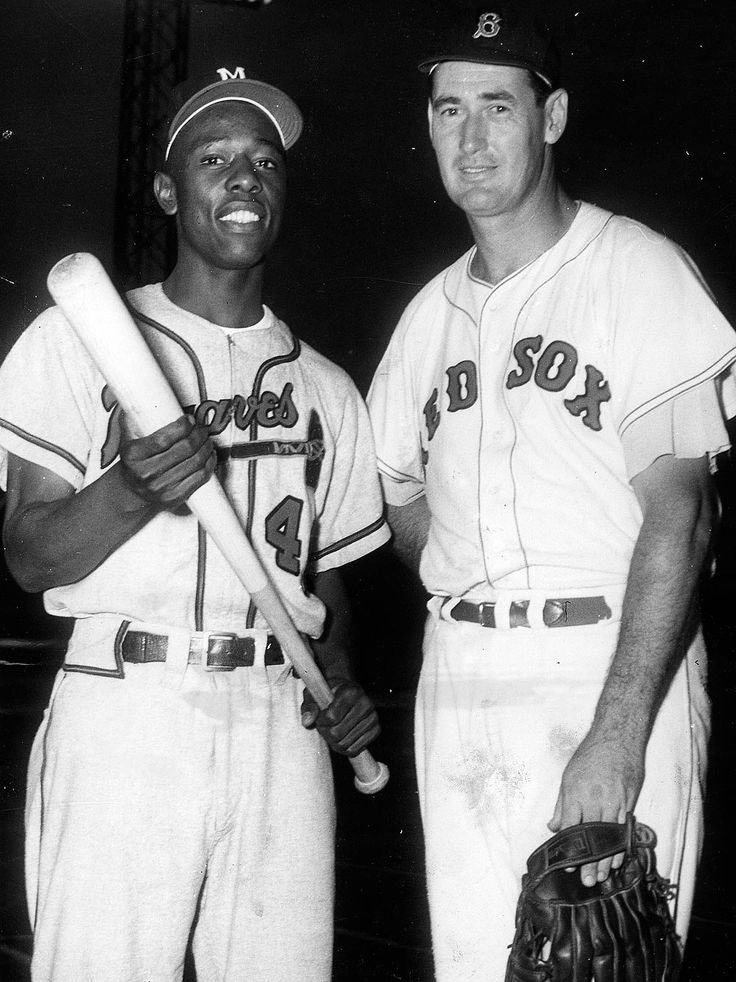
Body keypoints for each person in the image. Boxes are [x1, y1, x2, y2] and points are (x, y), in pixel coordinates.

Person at [366, 4, 736, 980]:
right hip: (464, 676)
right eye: (449, 110)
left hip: (606, 668)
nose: (471, 137)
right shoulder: (420, 322)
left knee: (605, 964)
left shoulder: (635, 270)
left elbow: (680, 513)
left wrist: (618, 731)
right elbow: (402, 506)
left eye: (497, 105)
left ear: (553, 116)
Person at [0, 66, 389, 982]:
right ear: (170, 191)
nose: (244, 178)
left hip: (278, 733)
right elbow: (25, 554)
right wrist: (129, 491)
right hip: (127, 703)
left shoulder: (327, 386)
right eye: (214, 159)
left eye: (263, 161)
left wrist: (335, 684)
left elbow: (325, 578)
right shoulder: (78, 337)